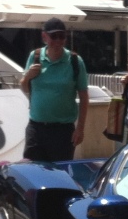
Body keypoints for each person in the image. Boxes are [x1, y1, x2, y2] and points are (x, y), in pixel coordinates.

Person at [21, 17, 89, 162]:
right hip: (36, 128)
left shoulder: (75, 61)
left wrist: (80, 129)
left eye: (61, 36)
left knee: (59, 174)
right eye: (54, 36)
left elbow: (84, 96)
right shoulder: (35, 56)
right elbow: (24, 88)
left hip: (63, 131)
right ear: (44, 36)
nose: (58, 40)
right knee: (32, 171)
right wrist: (27, 77)